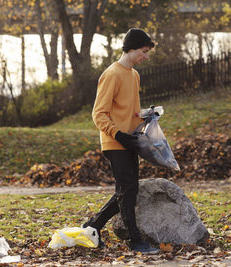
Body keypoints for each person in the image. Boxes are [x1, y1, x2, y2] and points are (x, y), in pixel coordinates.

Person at [83, 28, 159, 254]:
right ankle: (135, 241)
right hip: (115, 142)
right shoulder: (111, 74)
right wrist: (118, 135)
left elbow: (131, 112)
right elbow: (99, 114)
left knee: (127, 190)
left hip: (131, 141)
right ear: (132, 48)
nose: (146, 56)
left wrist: (147, 115)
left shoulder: (134, 75)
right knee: (128, 190)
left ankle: (92, 226)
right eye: (144, 52)